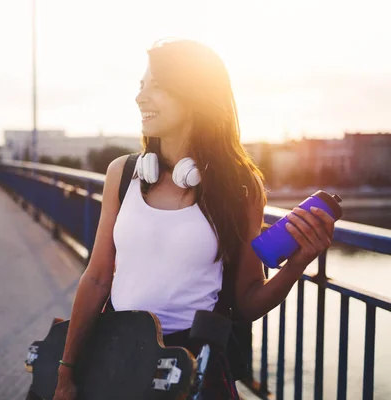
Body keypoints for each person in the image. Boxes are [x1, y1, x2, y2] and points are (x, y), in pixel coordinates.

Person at [46, 39, 335, 399]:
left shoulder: (240, 188)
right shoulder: (122, 174)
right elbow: (98, 277)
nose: (140, 98)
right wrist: (67, 371)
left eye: (157, 86)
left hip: (194, 364)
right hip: (118, 354)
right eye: (141, 86)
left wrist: (298, 263)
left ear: (195, 95)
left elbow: (247, 301)